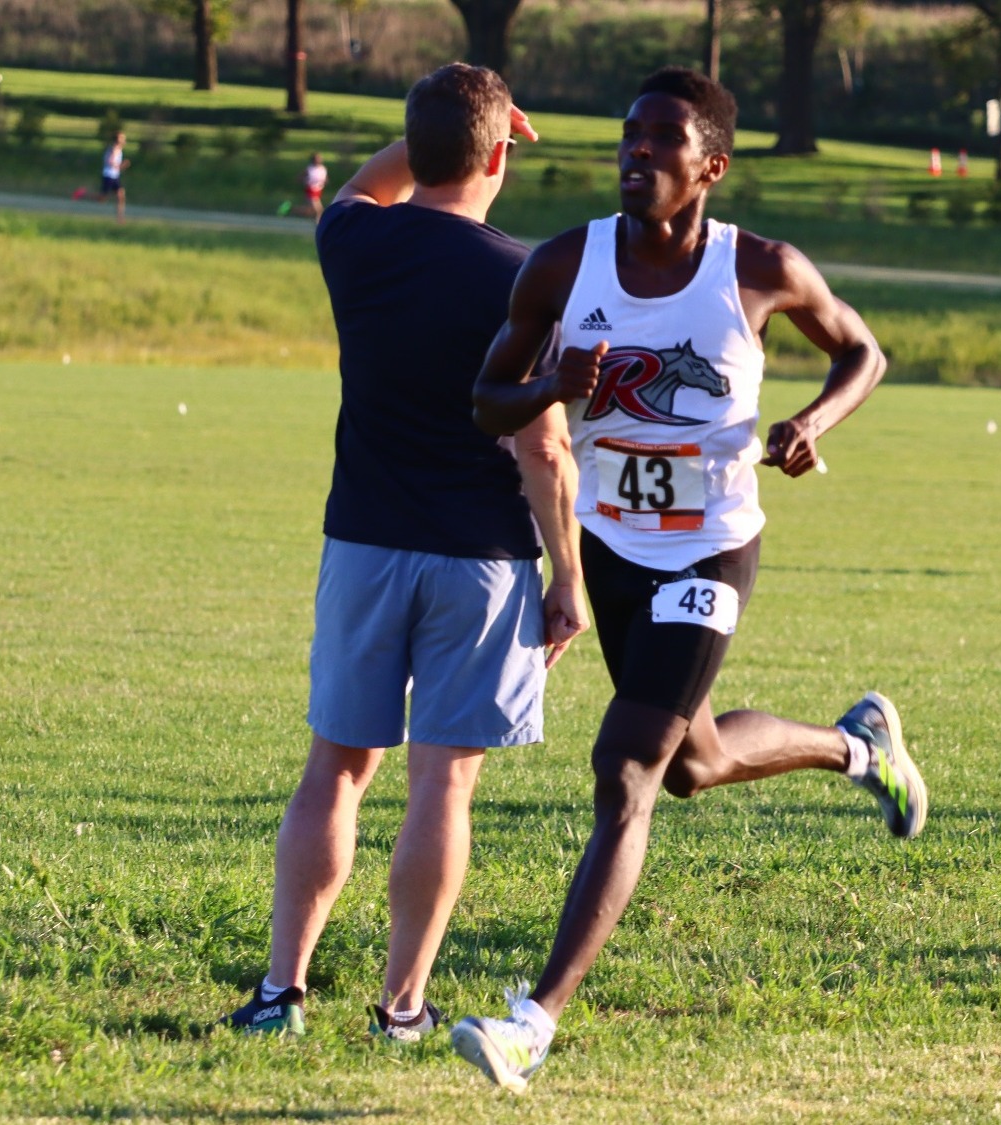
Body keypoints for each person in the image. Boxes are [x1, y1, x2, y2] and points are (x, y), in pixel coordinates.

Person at [453, 67, 928, 1091]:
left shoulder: (756, 267)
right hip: (613, 548)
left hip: (709, 548)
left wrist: (808, 421)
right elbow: (487, 401)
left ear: (708, 166)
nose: (636, 154)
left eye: (662, 141)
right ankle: (856, 746)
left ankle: (531, 1023)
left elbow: (862, 354)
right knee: (691, 762)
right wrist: (546, 386)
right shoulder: (563, 264)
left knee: (626, 766)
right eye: (628, 137)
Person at [218, 64, 579, 1043]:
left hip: (363, 548)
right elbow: (541, 445)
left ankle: (279, 993)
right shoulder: (525, 278)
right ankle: (400, 1008)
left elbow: (363, 189)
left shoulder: (354, 242)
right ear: (502, 154)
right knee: (442, 783)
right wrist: (569, 582)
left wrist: (440, 136)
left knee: (334, 767)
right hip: (482, 560)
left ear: (413, 150)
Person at [100, 131, 128, 224]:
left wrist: (120, 167)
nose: (124, 140)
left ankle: (120, 219)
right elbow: (110, 161)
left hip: (115, 176)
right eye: (122, 138)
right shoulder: (114, 149)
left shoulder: (118, 149)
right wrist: (121, 166)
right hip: (108, 176)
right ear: (118, 139)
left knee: (121, 195)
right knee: (102, 199)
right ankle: (82, 194)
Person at [300, 152, 328, 218]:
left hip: (319, 191)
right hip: (311, 191)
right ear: (313, 160)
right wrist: (306, 181)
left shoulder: (323, 169)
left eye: (320, 158)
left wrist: (325, 181)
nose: (319, 159)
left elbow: (325, 178)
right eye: (317, 158)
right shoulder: (310, 169)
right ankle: (319, 225)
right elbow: (300, 177)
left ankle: (290, 209)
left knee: (309, 211)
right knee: (319, 210)